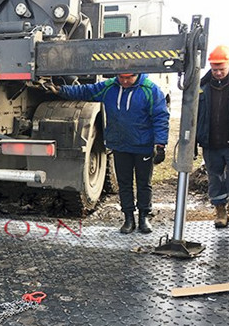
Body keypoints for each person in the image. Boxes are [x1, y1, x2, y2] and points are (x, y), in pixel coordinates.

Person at [52, 73, 169, 234]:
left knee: (144, 183)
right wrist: (61, 90)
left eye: (129, 78)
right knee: (124, 183)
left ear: (137, 74)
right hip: (120, 145)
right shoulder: (109, 87)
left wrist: (160, 145)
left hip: (143, 146)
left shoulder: (150, 90)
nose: (125, 81)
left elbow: (160, 117)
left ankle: (144, 217)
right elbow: (87, 91)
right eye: (121, 78)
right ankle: (128, 218)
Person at [196, 45, 229, 228]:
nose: (218, 73)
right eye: (215, 69)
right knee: (215, 179)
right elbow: (196, 115)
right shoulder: (203, 86)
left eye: (221, 69)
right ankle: (220, 211)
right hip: (211, 142)